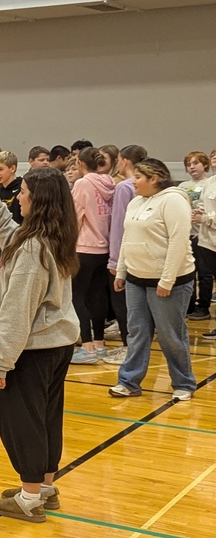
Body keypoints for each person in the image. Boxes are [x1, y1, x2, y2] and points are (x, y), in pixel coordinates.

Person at [0, 168, 80, 523]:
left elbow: (17, 311)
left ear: (36, 200)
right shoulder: (48, 235)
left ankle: (29, 498)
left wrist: (0, 361)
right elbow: (13, 239)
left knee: (22, 422)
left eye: (21, 192)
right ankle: (44, 488)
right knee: (46, 417)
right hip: (57, 344)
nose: (17, 197)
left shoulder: (33, 250)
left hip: (33, 350)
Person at [109, 160, 197, 400]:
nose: (133, 181)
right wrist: (121, 271)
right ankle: (129, 381)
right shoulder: (136, 202)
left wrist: (167, 280)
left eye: (138, 177)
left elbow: (179, 242)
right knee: (136, 332)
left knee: (171, 335)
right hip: (136, 279)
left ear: (154, 178)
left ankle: (184, 383)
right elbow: (128, 238)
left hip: (170, 282)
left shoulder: (174, 200)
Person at [103, 145, 149, 364]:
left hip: (124, 255)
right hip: (141, 254)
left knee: (123, 304)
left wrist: (114, 258)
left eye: (119, 160)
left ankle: (127, 347)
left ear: (125, 162)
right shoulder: (149, 186)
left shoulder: (124, 187)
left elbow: (118, 225)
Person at [69, 148, 115, 364]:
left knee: (76, 296)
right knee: (97, 296)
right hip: (103, 247)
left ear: (79, 163)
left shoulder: (83, 183)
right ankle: (99, 343)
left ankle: (86, 347)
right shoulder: (108, 181)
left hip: (84, 246)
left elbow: (75, 215)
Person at [180, 151, 213, 321]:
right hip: (188, 234)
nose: (192, 167)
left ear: (205, 165)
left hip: (204, 234)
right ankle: (190, 304)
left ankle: (203, 306)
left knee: (205, 273)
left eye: (195, 163)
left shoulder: (210, 183)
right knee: (189, 271)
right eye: (188, 164)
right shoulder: (182, 186)